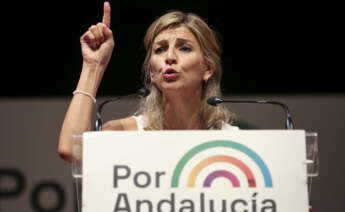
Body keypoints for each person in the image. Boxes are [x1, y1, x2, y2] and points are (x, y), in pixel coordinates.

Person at [58, 2, 237, 162]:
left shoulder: (235, 143)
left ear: (207, 69)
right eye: (160, 49)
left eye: (184, 48)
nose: (170, 57)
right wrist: (93, 66)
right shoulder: (125, 134)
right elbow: (72, 150)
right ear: (152, 72)